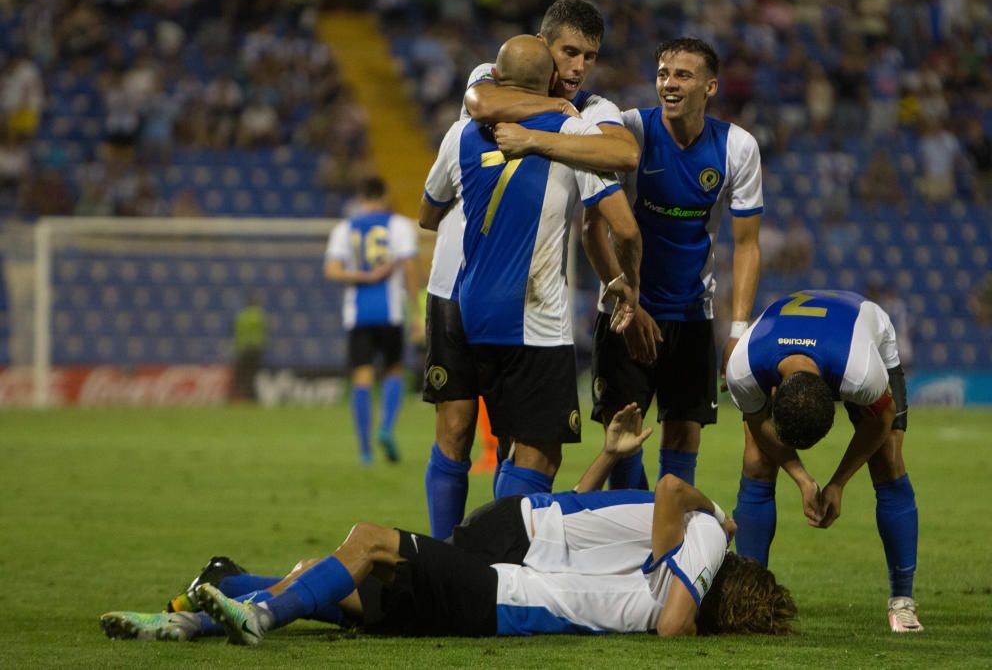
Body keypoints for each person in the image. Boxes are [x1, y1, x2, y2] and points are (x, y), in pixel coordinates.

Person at [99, 412, 797, 643]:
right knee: (358, 596)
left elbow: (674, 494)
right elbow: (596, 527)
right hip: (518, 579)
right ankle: (209, 598)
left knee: (369, 543)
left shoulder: (698, 552)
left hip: (510, 583)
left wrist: (719, 519)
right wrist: (609, 464)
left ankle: (253, 608)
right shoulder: (665, 569)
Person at [422, 0, 641, 541]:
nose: (578, 66)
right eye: (569, 52)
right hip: (453, 285)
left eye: (589, 57)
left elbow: (621, 152)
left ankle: (482, 556)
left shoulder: (592, 111)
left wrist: (552, 129)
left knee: (518, 434)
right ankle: (455, 556)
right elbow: (476, 100)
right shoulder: (497, 78)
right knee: (457, 428)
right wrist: (556, 120)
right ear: (543, 49)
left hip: (511, 293)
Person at [582, 37, 763, 491]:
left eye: (683, 74)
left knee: (683, 437)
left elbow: (747, 245)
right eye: (663, 73)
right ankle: (635, 544)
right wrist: (626, 297)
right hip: (625, 314)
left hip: (691, 316)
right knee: (623, 439)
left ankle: (667, 545)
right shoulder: (630, 132)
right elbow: (592, 229)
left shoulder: (736, 148)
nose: (669, 83)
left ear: (711, 86)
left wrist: (738, 331)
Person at [724, 290, 922, 633]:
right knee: (756, 459)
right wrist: (802, 478)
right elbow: (758, 424)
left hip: (862, 330)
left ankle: (902, 602)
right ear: (774, 392)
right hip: (793, 336)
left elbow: (881, 419)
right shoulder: (742, 368)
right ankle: (751, 600)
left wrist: (838, 483)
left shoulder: (862, 375)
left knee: (888, 461)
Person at [324, 176, 423, 464]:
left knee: (362, 377)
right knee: (393, 371)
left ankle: (365, 450)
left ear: (361, 196)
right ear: (385, 196)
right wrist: (416, 312)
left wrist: (362, 276)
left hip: (358, 312)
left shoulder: (345, 228)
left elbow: (331, 270)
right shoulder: (399, 225)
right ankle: (386, 428)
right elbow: (409, 268)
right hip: (390, 310)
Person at [230, 291, 267, 402]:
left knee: (242, 375)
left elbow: (236, 333)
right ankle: (252, 397)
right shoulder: (260, 316)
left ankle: (238, 397)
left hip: (243, 350)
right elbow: (264, 332)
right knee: (252, 376)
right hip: (256, 350)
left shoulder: (241, 316)